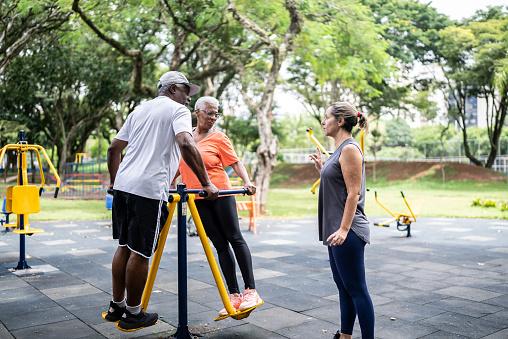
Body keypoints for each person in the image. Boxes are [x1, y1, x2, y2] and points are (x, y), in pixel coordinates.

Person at [105, 71, 219, 332]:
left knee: (123, 246)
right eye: (186, 92)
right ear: (172, 89)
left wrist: (114, 183)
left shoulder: (139, 110)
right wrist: (206, 183)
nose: (189, 99)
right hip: (148, 189)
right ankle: (133, 313)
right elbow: (186, 143)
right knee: (141, 251)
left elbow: (114, 149)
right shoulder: (176, 110)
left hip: (123, 186)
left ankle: (116, 306)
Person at [175, 96, 262, 316]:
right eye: (210, 113)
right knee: (220, 245)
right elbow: (178, 166)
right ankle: (233, 296)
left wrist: (247, 181)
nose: (213, 117)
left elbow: (235, 161)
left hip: (221, 193)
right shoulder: (185, 138)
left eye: (216, 113)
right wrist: (165, 183)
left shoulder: (219, 137)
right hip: (197, 198)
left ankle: (250, 290)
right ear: (197, 112)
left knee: (234, 238)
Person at [309, 102, 374, 339]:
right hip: (336, 229)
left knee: (357, 289)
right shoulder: (339, 150)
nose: (323, 122)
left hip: (349, 230)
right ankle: (345, 335)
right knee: (344, 287)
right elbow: (338, 184)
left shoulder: (349, 149)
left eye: (326, 118)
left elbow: (353, 193)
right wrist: (322, 169)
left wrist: (345, 230)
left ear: (339, 121)